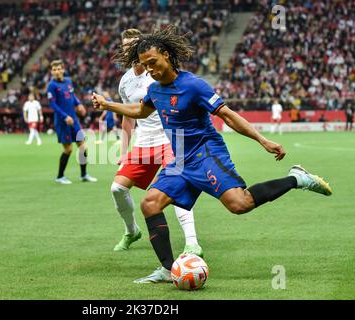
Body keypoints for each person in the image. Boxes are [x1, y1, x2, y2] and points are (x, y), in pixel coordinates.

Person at [92, 26, 332, 284]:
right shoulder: (155, 90)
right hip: (180, 160)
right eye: (144, 65)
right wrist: (108, 104)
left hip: (207, 153)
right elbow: (140, 112)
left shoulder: (193, 85)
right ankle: (166, 269)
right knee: (150, 203)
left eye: (153, 63)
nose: (149, 70)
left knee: (240, 205)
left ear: (166, 55)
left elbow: (227, 115)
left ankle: (296, 178)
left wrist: (262, 140)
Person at [106, 29, 203, 256]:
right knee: (117, 188)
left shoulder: (157, 72)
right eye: (126, 45)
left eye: (134, 44)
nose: (129, 48)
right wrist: (123, 151)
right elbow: (128, 117)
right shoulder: (125, 83)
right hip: (144, 142)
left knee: (176, 187)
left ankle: (192, 242)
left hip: (170, 139)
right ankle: (132, 231)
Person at [47, 59, 97, 184]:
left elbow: (72, 96)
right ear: (51, 72)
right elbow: (52, 104)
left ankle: (84, 174)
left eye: (59, 69)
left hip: (73, 119)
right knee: (68, 149)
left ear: (63, 69)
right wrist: (65, 116)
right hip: (62, 121)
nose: (57, 72)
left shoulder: (68, 82)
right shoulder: (51, 86)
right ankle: (60, 176)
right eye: (54, 70)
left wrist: (79, 104)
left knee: (83, 147)